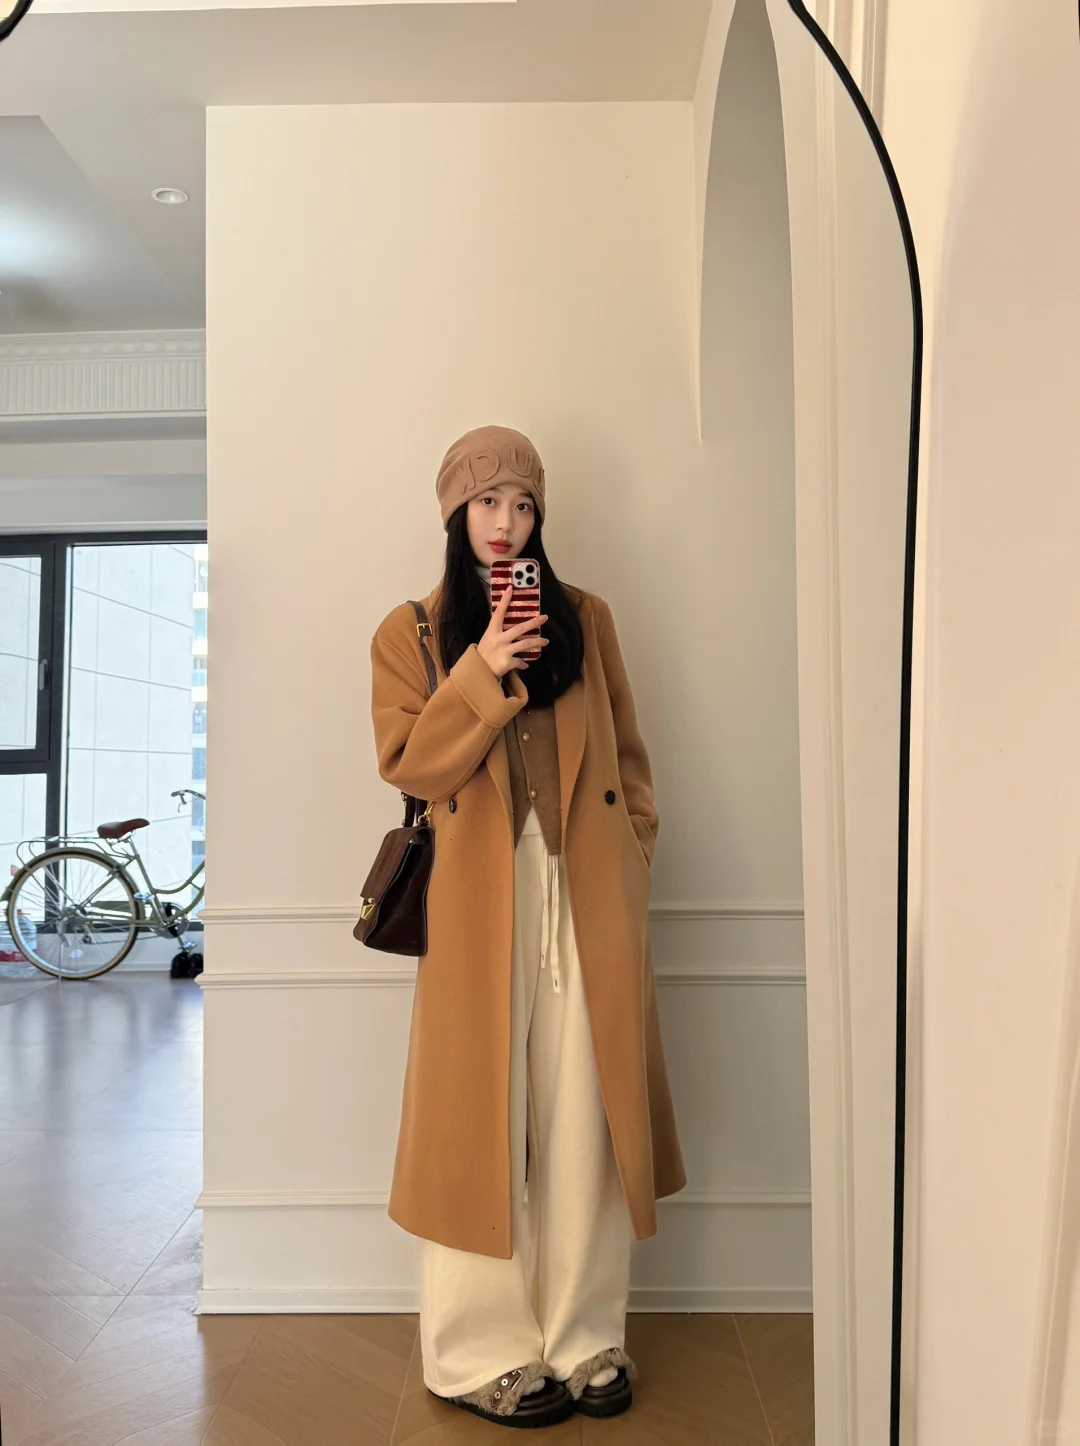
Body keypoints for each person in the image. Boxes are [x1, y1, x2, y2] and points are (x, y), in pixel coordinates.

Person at [369, 424, 686, 1429]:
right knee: (479, 1121)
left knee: (587, 1109)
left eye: (522, 503)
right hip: (479, 901)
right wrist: (484, 669)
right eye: (486, 501)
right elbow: (410, 763)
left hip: (586, 891)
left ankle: (586, 1335)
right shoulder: (414, 632)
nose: (505, 521)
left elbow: (627, 754)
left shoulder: (586, 617)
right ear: (454, 513)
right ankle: (478, 1351)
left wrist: (634, 851)